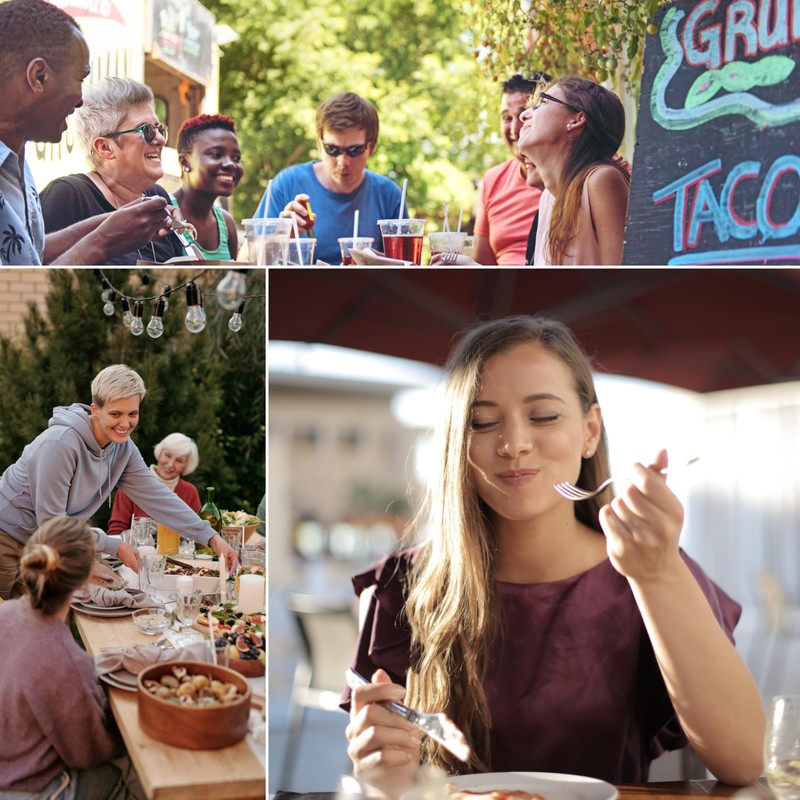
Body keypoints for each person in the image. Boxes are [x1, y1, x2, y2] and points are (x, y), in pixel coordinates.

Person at [343, 315, 764, 795]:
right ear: (458, 444)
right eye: (482, 422)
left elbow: (745, 759)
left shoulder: (650, 569)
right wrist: (381, 774)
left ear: (590, 430)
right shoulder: (401, 587)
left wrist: (658, 574)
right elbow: (387, 776)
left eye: (543, 416)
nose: (514, 444)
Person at [0, 364, 236, 600]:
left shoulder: (123, 449)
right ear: (95, 409)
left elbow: (158, 497)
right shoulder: (60, 444)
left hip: (42, 544)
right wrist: (114, 546)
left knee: (37, 624)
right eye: (116, 414)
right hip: (6, 537)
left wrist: (211, 538)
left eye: (132, 414)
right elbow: (51, 526)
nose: (125, 424)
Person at [0, 0, 174, 266]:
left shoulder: (17, 165)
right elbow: (15, 298)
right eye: (81, 78)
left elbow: (30, 258)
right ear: (39, 77)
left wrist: (119, 221)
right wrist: (102, 242)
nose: (81, 101)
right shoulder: (65, 190)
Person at [0, 516, 142, 799]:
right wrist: (125, 725)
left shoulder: (6, 614)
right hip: (29, 786)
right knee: (138, 770)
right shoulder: (66, 660)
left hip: (9, 758)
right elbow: (87, 753)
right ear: (88, 573)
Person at [40, 76, 186, 265]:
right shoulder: (69, 194)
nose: (160, 139)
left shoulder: (157, 195)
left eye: (160, 129)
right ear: (105, 148)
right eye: (147, 131)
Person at [253, 92, 402, 264]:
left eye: (354, 150)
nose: (343, 161)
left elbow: (405, 273)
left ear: (372, 146)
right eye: (332, 149)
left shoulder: (389, 195)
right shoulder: (288, 183)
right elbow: (245, 260)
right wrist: (279, 234)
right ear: (319, 144)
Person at [516, 75, 631, 265]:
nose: (524, 115)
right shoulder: (549, 198)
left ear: (576, 119)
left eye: (542, 102)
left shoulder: (601, 180)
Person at [472, 74, 545, 266]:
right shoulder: (492, 179)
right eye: (506, 117)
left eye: (524, 114)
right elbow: (481, 265)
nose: (514, 128)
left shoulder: (578, 174)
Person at [172, 114, 243, 260]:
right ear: (185, 162)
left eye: (236, 158)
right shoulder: (162, 214)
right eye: (217, 154)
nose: (231, 164)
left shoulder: (227, 224)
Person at [107, 432, 201, 536]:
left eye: (179, 461)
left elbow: (197, 531)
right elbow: (116, 531)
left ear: (186, 466)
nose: (170, 464)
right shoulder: (132, 484)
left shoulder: (190, 491)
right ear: (160, 453)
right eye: (168, 455)